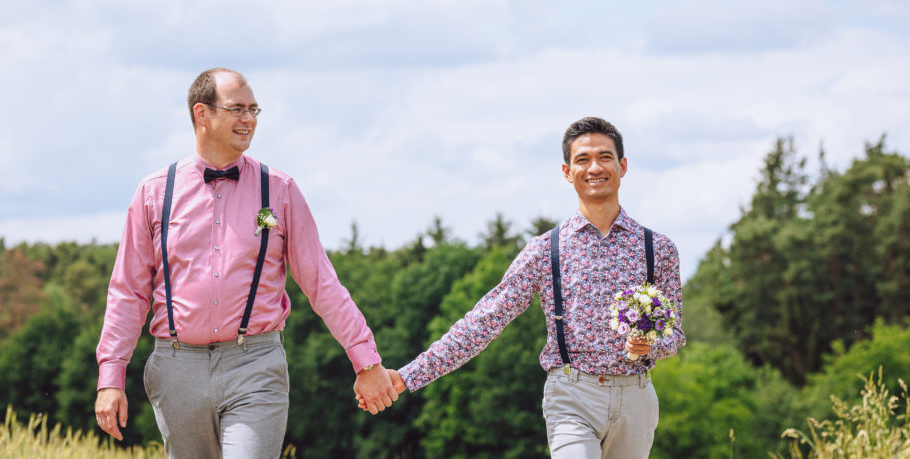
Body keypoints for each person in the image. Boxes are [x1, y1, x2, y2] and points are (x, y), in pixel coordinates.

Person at [96, 68, 397, 458]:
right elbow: (128, 292)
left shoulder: (280, 191)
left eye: (254, 109)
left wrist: (366, 360)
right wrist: (111, 376)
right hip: (176, 369)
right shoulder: (155, 193)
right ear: (202, 113)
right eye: (237, 108)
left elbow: (322, 282)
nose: (249, 119)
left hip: (255, 365)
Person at [364, 116, 685, 458]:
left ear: (622, 166)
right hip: (572, 396)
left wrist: (649, 346)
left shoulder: (658, 249)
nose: (595, 167)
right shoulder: (545, 250)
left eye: (605, 157)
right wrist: (410, 375)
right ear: (567, 172)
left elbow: (675, 335)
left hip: (636, 398)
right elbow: (485, 320)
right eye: (583, 159)